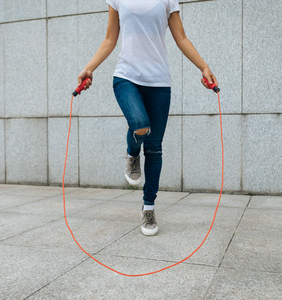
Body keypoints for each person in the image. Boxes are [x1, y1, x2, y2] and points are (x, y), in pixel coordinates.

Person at [77, 0, 218, 236]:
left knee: (154, 148)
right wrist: (90, 68)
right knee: (140, 124)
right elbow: (110, 39)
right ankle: (132, 153)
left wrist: (203, 67)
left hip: (159, 83)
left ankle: (148, 208)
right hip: (126, 77)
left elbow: (181, 37)